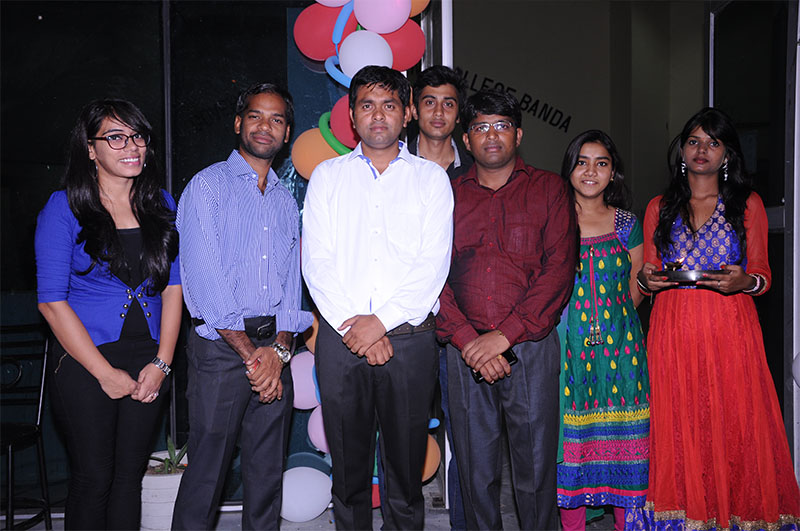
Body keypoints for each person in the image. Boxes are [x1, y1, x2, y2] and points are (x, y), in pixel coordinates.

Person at [302, 65, 454, 530]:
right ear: (352, 115)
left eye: (389, 105)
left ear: (406, 114)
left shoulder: (430, 179)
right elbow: (316, 261)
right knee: (347, 474)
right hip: (341, 338)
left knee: (405, 475)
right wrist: (358, 327)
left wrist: (380, 322)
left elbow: (432, 265)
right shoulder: (328, 176)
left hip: (409, 340)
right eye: (367, 105)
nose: (378, 115)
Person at [638, 107, 800, 530]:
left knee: (735, 421)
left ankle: (735, 515)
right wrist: (646, 279)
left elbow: (762, 274)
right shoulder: (659, 207)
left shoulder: (747, 204)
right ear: (681, 151)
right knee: (678, 422)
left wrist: (745, 281)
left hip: (730, 327)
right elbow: (648, 271)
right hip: (673, 327)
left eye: (713, 142)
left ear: (727, 153)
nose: (702, 150)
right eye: (694, 141)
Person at [35, 99, 182, 530]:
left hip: (149, 360)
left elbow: (174, 289)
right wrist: (104, 373)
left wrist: (162, 363)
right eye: (115, 137)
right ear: (90, 148)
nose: (131, 146)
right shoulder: (64, 207)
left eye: (137, 136)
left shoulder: (162, 204)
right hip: (85, 360)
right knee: (94, 477)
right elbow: (51, 302)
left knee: (128, 478)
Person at [172, 82, 313, 530]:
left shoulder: (285, 201)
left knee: (267, 474)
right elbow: (204, 281)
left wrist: (280, 351)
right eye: (255, 116)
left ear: (287, 132)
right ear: (238, 123)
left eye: (276, 119)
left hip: (274, 350)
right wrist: (254, 358)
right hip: (221, 350)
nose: (265, 126)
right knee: (207, 473)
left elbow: (291, 285)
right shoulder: (207, 187)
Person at [436, 88, 576, 530]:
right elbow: (429, 273)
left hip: (530, 348)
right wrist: (468, 339)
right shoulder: (445, 193)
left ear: (518, 135)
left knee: (534, 472)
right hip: (463, 350)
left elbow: (559, 269)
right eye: (480, 127)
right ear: (466, 139)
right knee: (474, 474)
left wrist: (504, 335)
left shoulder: (549, 189)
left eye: (501, 126)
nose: (491, 136)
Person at [556, 130, 650, 531]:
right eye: (582, 162)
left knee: (627, 440)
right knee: (571, 443)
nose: (591, 171)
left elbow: (637, 284)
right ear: (569, 169)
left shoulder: (627, 223)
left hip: (623, 348)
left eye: (601, 163)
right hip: (568, 348)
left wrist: (613, 323)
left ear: (613, 173)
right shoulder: (556, 218)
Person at [410, 64, 473, 179]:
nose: (439, 112)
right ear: (414, 111)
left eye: (448, 104)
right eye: (430, 102)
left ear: (458, 115)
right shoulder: (395, 168)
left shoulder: (474, 172)